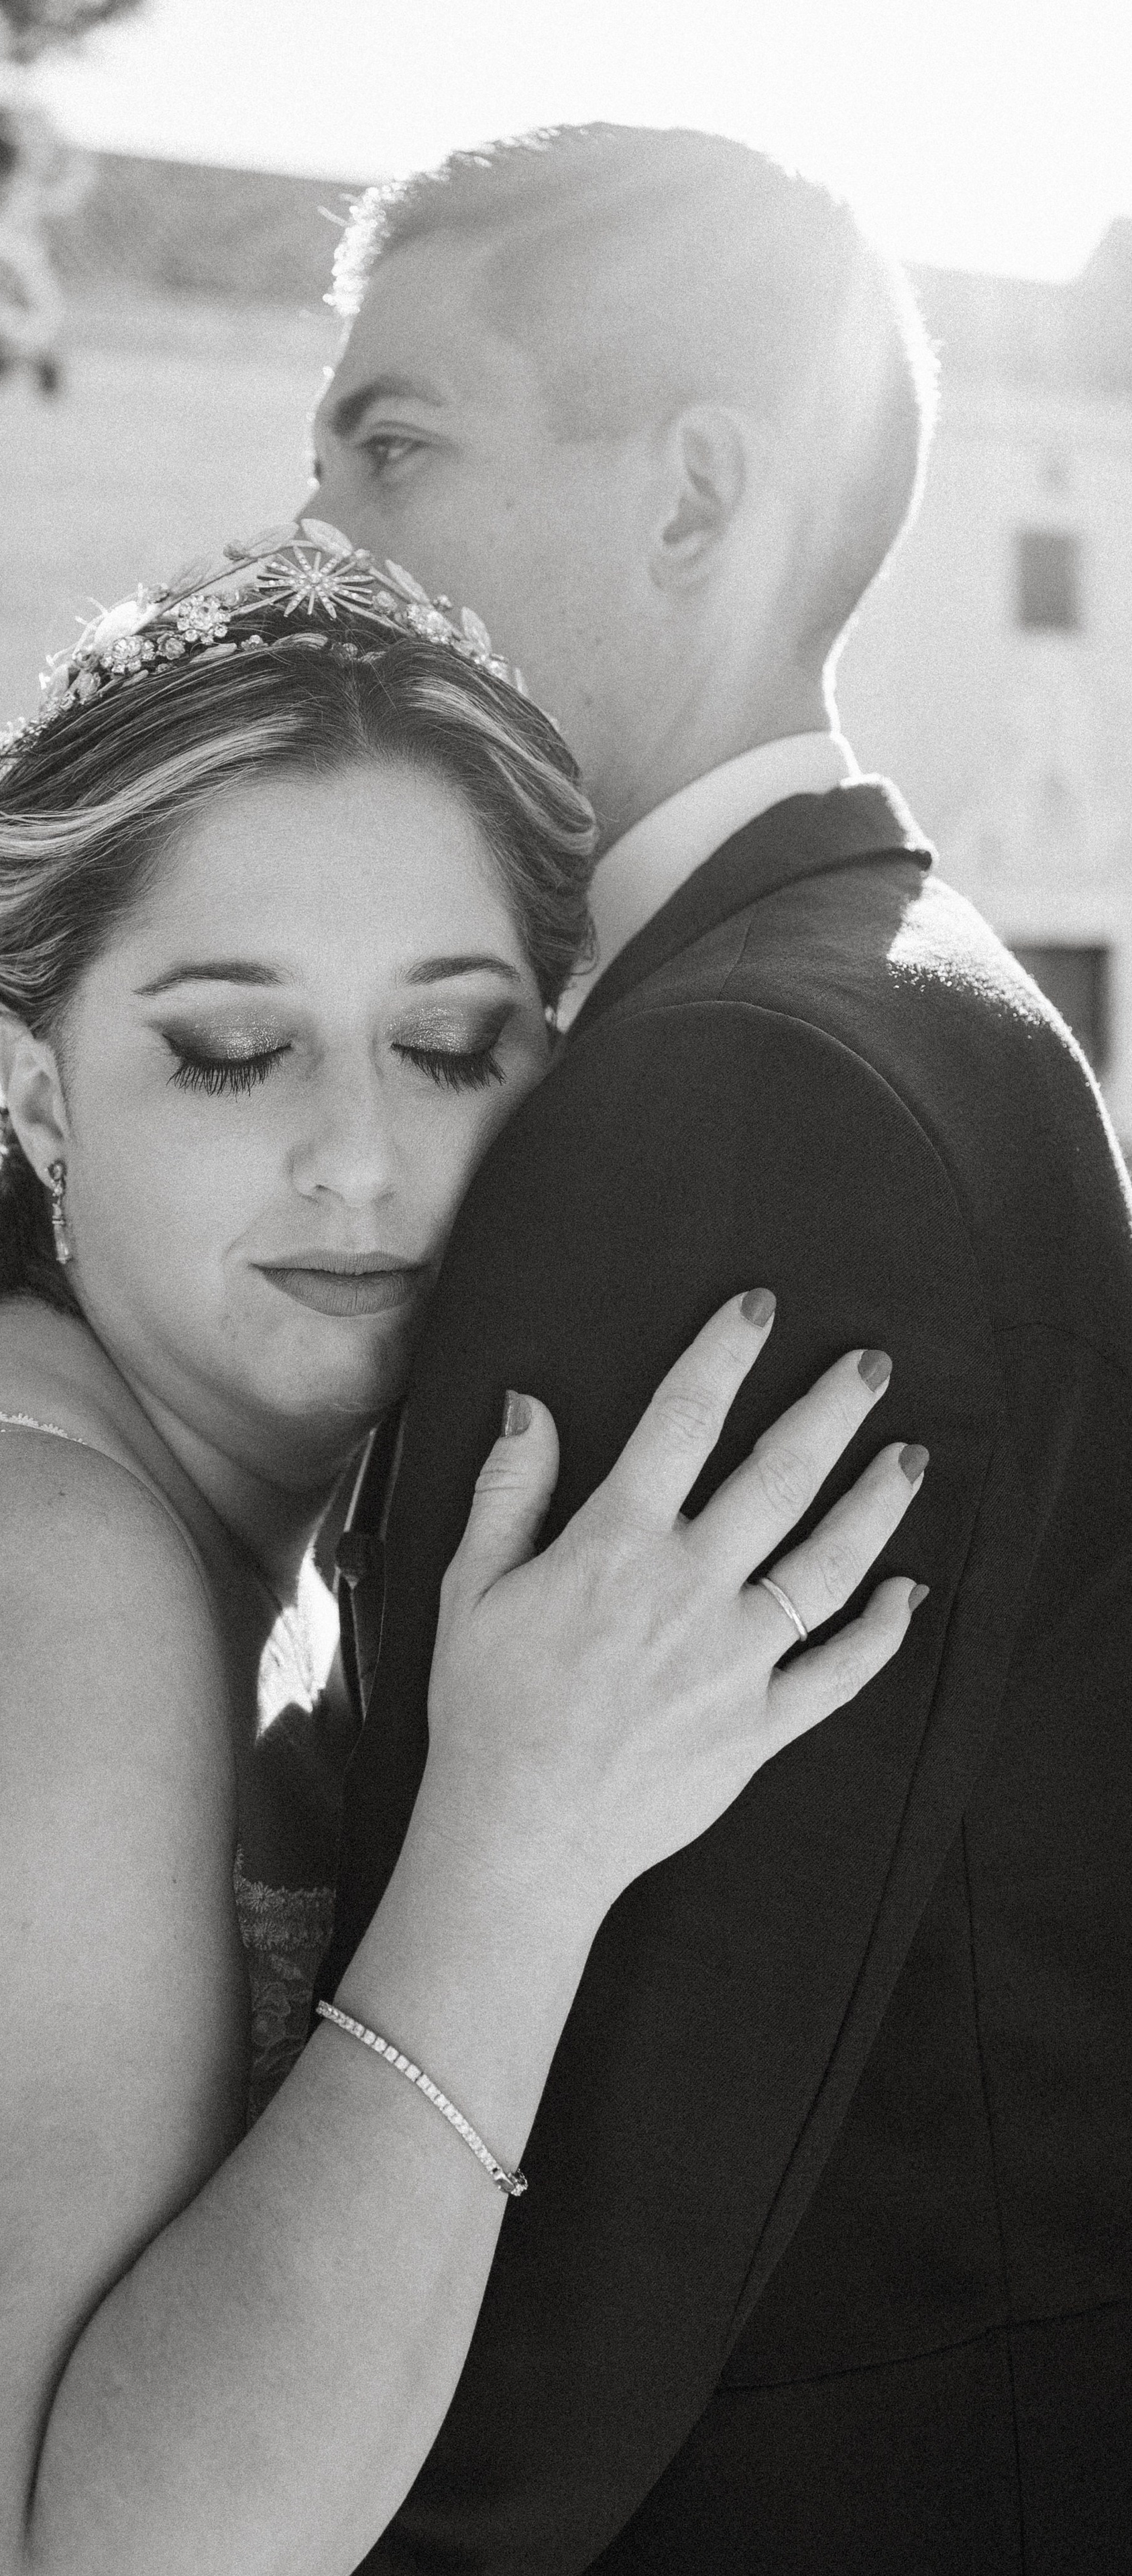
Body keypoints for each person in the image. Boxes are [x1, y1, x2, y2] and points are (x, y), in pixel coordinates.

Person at [0, 531, 924, 2576]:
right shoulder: (22, 1561)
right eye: (230, 1050)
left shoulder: (71, 1477)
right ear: (43, 1096)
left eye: (451, 1045)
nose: (358, 1153)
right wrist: (519, 1849)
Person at [309, 127, 1132, 2571]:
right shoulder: (887, 997)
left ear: (693, 492)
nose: (311, 554)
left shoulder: (750, 1098)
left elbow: (607, 2207)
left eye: (396, 445)